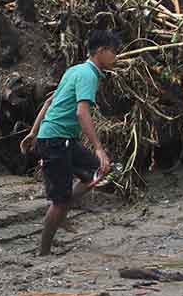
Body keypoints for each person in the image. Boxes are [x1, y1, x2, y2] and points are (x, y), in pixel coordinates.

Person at [20, 29, 121, 256]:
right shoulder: (88, 75)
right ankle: (43, 250)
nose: (116, 57)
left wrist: (33, 132)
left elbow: (49, 102)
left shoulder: (75, 70)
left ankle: (63, 213)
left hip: (60, 138)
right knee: (60, 199)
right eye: (113, 52)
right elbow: (81, 112)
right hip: (57, 140)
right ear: (101, 51)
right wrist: (98, 147)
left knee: (97, 171)